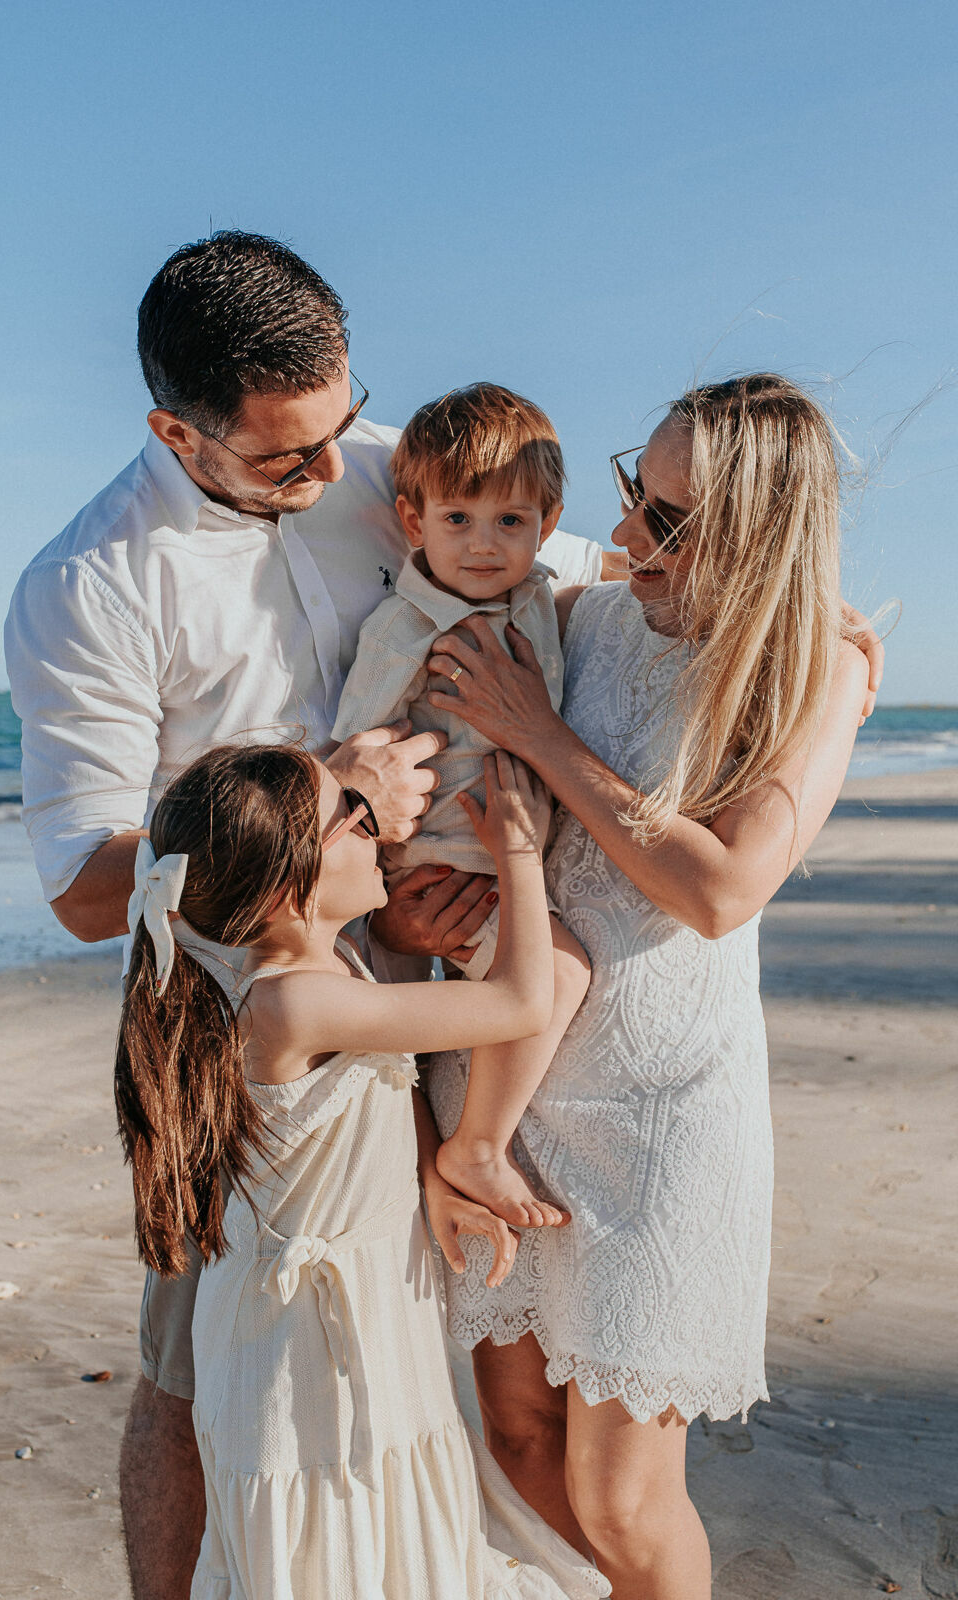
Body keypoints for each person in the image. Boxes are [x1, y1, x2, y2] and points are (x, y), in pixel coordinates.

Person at [3, 230, 611, 1600]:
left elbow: (593, 567)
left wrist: (818, 640)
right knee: (199, 1356)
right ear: (177, 429)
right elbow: (90, 890)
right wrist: (322, 798)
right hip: (247, 1006)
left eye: (345, 423)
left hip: (435, 939)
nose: (342, 473)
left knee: (469, 1334)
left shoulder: (392, 466)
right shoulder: (90, 584)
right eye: (288, 455)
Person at [420, 375, 872, 1600]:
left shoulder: (814, 667)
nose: (629, 535)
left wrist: (540, 737)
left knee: (623, 1502)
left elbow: (721, 888)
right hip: (502, 1093)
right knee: (516, 1440)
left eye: (670, 523)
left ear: (762, 537)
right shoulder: (579, 612)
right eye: (635, 491)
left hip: (663, 1113)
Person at [113, 742, 610, 1600]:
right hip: (306, 1344)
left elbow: (371, 1098)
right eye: (353, 813)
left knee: (375, 1547)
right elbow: (527, 998)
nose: (376, 825)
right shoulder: (291, 999)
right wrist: (518, 850)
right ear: (287, 887)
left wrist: (430, 1182)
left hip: (355, 1307)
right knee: (334, 1548)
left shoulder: (309, 969)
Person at [333, 383, 592, 1228]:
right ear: (414, 523)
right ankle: (476, 1146)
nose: (484, 545)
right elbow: (356, 751)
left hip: (506, 858)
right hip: (448, 866)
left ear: (546, 524)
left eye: (509, 522)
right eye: (458, 522)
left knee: (410, 1057)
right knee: (557, 974)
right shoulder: (405, 630)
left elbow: (614, 577)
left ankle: (447, 1155)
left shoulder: (535, 595)